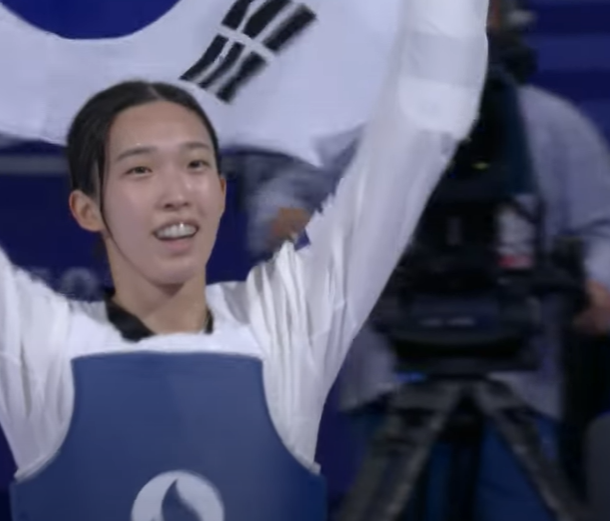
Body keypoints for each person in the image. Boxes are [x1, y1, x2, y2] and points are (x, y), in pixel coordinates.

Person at [0, 1, 489, 520]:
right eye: (140, 170)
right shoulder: (35, 348)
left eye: (194, 164)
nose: (175, 194)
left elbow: (420, 137)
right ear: (88, 207)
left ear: (219, 191)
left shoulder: (290, 323)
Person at [228, 2, 610, 520]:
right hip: (389, 374)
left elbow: (601, 228)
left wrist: (597, 282)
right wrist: (292, 224)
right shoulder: (354, 125)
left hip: (520, 382)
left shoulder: (552, 125)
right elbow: (282, 199)